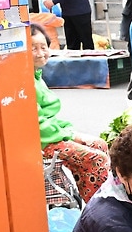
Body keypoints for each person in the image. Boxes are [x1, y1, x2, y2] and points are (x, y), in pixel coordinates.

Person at [30, 23, 111, 203]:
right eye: (33, 48)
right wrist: (67, 135)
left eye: (43, 47)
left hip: (52, 134)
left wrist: (69, 132)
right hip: (43, 141)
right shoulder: (24, 81)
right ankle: (98, 211)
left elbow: (50, 117)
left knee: (100, 144)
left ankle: (93, 200)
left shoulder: (36, 76)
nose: (40, 53)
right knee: (97, 159)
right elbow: (38, 123)